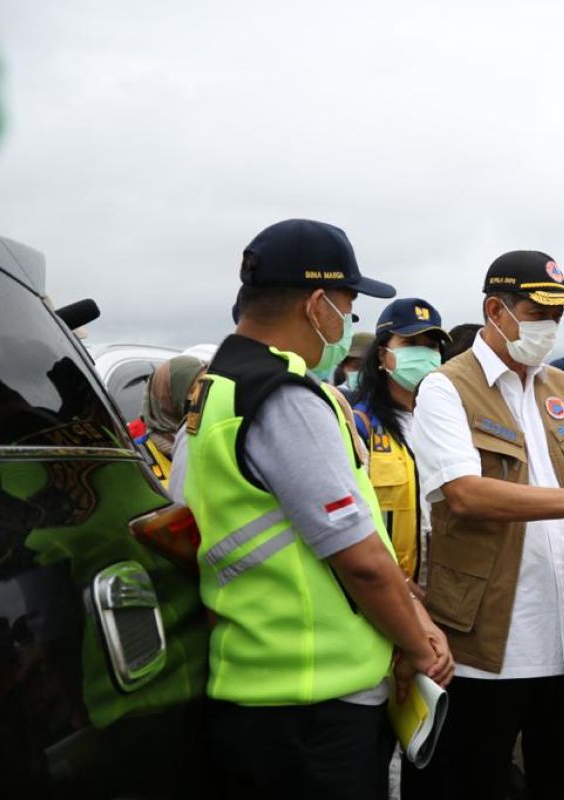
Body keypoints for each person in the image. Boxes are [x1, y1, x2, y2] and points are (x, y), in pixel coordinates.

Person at [173, 219, 453, 799]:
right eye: (349, 308)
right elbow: (361, 560)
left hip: (261, 688)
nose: (350, 325)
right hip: (310, 708)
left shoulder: (219, 386)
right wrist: (416, 644)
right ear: (318, 303)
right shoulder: (281, 397)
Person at [412, 250, 564, 800]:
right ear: (496, 310)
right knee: (479, 781)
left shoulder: (559, 386)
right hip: (490, 643)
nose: (550, 328)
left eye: (558, 318)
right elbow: (465, 495)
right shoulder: (447, 388)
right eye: (539, 313)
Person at [352, 297, 450, 591]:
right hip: (386, 590)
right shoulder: (361, 426)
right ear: (383, 356)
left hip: (449, 592)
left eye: (431, 346)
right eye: (410, 344)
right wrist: (401, 584)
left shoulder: (452, 422)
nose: (424, 354)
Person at [138, 354, 204, 485]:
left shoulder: (213, 446)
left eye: (207, 388)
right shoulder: (137, 458)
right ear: (169, 397)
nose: (203, 398)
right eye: (195, 390)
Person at [336, 330, 375, 398]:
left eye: (368, 366)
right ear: (344, 367)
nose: (361, 372)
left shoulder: (391, 399)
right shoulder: (334, 396)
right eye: (356, 366)